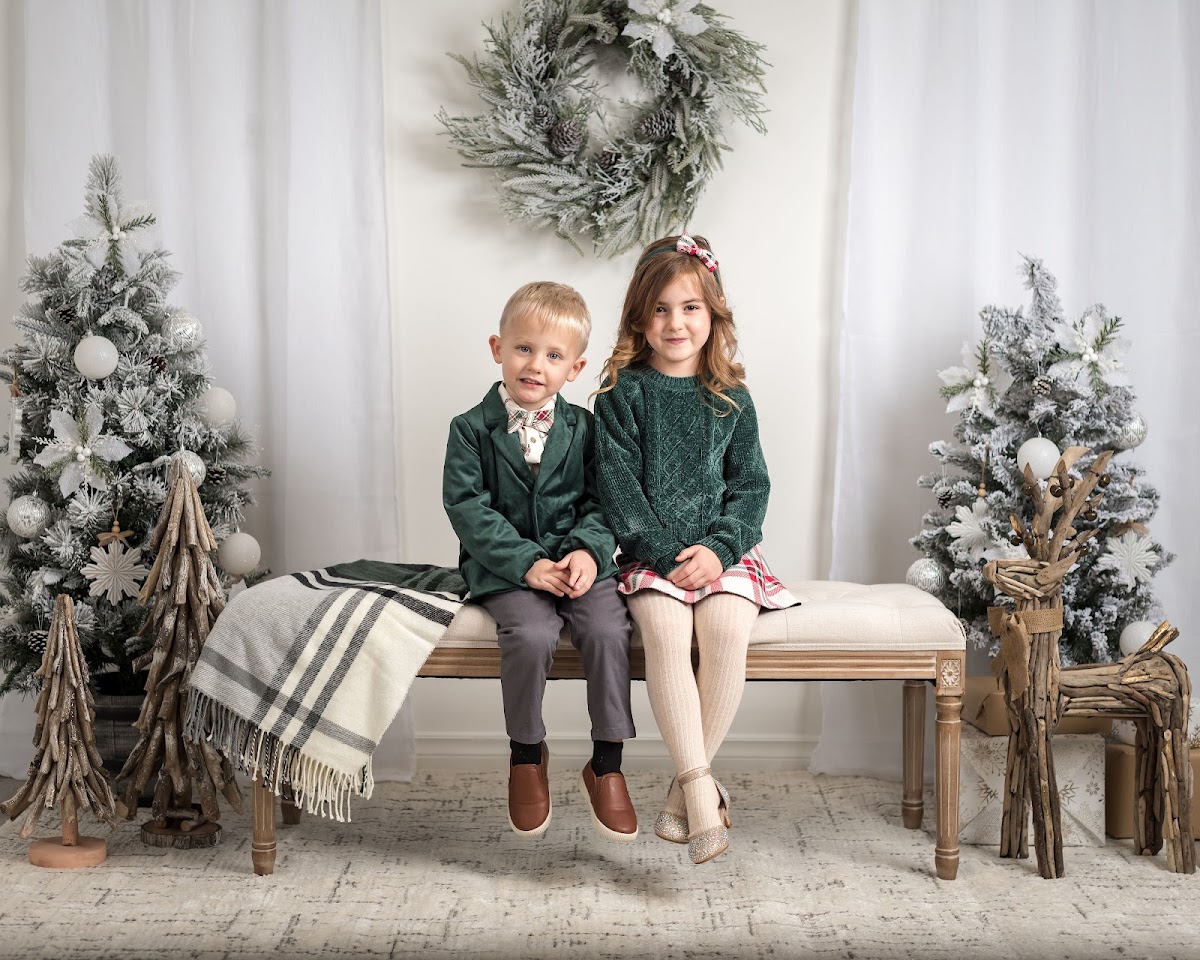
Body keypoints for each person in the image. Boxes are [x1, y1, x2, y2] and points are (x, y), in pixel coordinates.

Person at [592, 234, 798, 864]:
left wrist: (718, 549)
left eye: (690, 308)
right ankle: (704, 794)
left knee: (727, 631)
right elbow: (619, 494)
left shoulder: (732, 398)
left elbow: (752, 487)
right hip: (650, 556)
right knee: (664, 632)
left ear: (713, 315)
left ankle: (687, 793)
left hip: (724, 553)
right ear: (638, 318)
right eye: (660, 309)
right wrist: (664, 554)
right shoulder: (621, 395)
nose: (675, 323)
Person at [443, 281, 637, 842]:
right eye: (524, 348)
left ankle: (607, 762)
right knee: (530, 635)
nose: (535, 365)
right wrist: (526, 562)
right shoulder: (469, 429)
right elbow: (468, 508)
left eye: (553, 355)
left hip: (579, 564)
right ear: (497, 348)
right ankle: (527, 753)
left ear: (574, 369)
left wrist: (587, 551)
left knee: (608, 628)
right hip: (506, 569)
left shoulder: (586, 428)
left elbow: (604, 501)